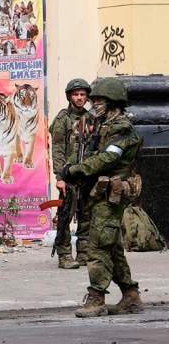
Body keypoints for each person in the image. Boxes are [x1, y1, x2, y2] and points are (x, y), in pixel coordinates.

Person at [64, 78, 144, 318]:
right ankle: (130, 295)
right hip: (98, 194)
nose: (94, 103)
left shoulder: (121, 129)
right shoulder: (102, 125)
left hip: (111, 197)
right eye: (94, 99)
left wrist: (76, 170)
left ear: (113, 102)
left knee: (98, 246)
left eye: (100, 100)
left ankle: (96, 298)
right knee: (112, 247)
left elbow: (107, 159)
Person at [48, 78, 93, 269]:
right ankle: (64, 255)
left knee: (87, 215)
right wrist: (59, 177)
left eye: (83, 94)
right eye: (76, 94)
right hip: (68, 175)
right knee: (66, 215)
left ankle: (83, 253)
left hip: (87, 174)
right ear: (69, 97)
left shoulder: (91, 118)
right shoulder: (63, 119)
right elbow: (58, 150)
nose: (80, 98)